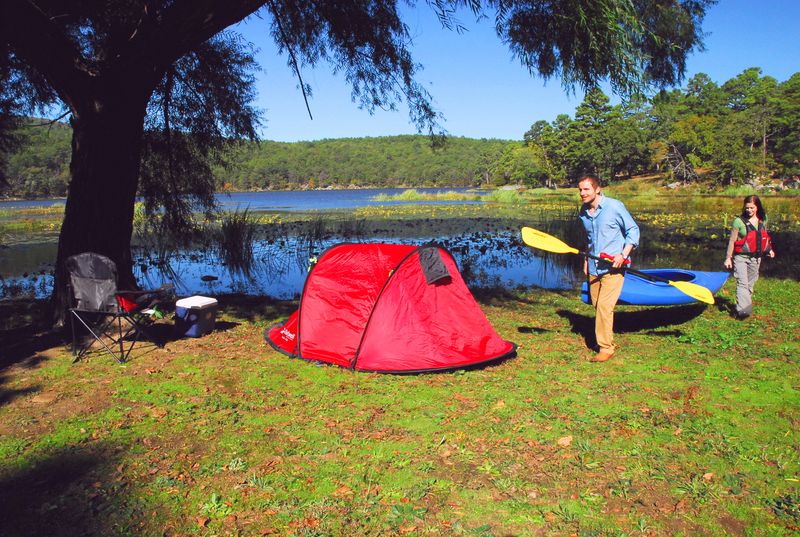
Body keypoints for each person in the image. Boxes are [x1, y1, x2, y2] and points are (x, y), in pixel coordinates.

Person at [578, 175, 640, 362]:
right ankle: (606, 338)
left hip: (614, 268)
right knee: (598, 306)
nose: (582, 193)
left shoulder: (614, 206)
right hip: (594, 267)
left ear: (597, 189)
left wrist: (624, 255)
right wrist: (587, 258)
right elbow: (590, 238)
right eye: (580, 190)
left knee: (604, 307)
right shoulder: (584, 211)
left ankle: (606, 348)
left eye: (586, 189)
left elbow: (633, 230)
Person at [723, 195, 775, 319]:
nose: (749, 210)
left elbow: (764, 236)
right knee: (742, 283)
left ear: (757, 207)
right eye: (747, 208)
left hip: (756, 258)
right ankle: (742, 312)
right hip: (740, 257)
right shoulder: (738, 221)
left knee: (750, 283)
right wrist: (728, 257)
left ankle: (745, 305)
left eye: (752, 208)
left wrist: (769, 249)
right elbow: (732, 241)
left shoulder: (763, 219)